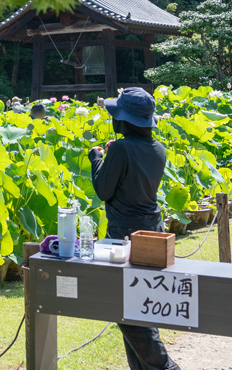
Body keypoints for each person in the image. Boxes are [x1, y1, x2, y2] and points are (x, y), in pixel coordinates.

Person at [89, 87, 180, 370]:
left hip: (124, 239)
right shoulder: (158, 149)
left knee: (126, 308)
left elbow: (104, 191)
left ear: (123, 121)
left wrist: (96, 158)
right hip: (154, 231)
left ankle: (166, 367)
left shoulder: (119, 148)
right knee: (142, 305)